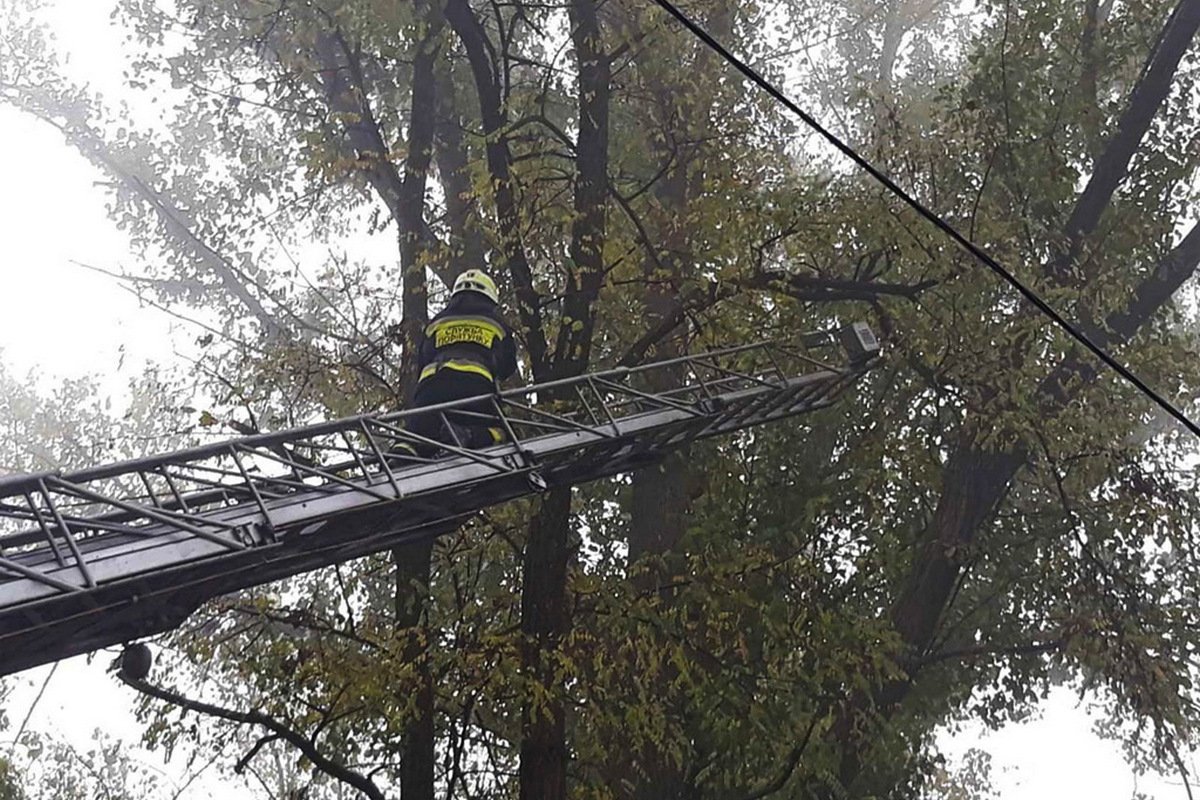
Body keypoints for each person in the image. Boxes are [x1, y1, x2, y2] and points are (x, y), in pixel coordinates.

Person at [397, 269, 518, 455]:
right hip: (473, 388)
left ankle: (402, 453)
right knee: (503, 431)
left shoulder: (437, 322)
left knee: (418, 434)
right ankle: (465, 436)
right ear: (490, 297)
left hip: (430, 388)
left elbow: (423, 358)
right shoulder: (496, 324)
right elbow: (507, 366)